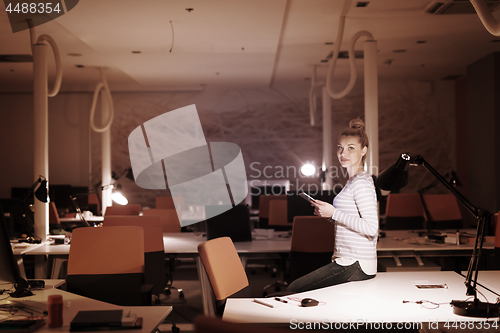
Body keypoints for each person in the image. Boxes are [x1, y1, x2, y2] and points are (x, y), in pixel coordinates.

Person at [286, 118, 379, 293]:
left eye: (351, 148)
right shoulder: (352, 181)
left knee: (293, 289)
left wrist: (334, 213)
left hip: (356, 263)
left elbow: (372, 228)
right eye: (340, 147)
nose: (343, 153)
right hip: (350, 261)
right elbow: (352, 220)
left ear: (364, 150)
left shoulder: (361, 182)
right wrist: (330, 215)